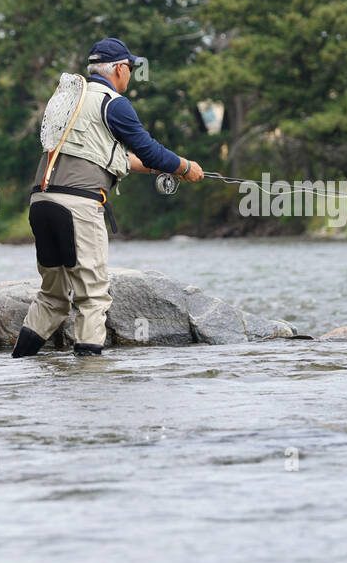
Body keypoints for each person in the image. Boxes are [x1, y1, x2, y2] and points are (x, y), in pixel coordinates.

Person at [12, 37, 204, 357]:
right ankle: (90, 382)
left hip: (42, 203)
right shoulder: (113, 103)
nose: (130, 74)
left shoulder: (74, 99)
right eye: (129, 67)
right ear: (118, 69)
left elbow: (110, 155)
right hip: (78, 206)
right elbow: (148, 148)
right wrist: (186, 167)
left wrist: (158, 169)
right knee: (93, 298)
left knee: (52, 297)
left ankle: (17, 366)